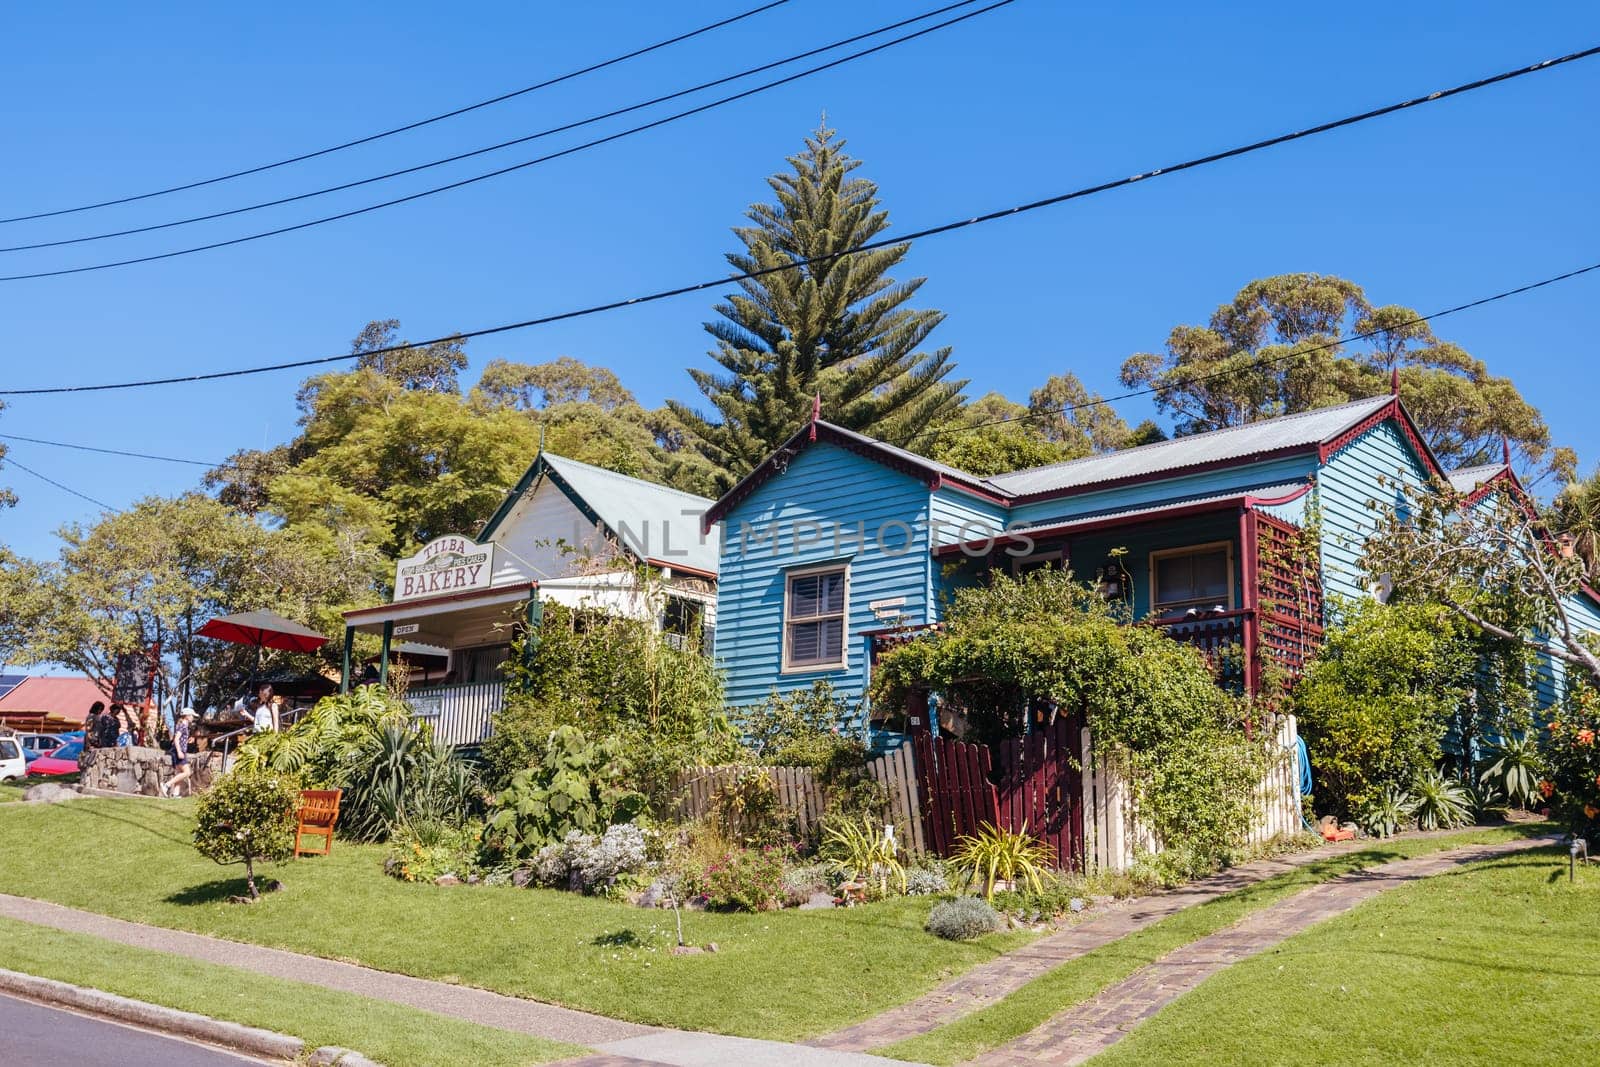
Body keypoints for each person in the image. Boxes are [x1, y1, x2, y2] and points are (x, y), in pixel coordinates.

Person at [160, 708, 197, 798]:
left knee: (180, 772)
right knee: (187, 772)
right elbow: (176, 739)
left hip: (179, 751)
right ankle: (166, 785)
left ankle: (176, 794)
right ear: (187, 716)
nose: (193, 718)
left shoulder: (184, 726)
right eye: (192, 716)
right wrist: (180, 751)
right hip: (178, 751)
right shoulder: (182, 725)